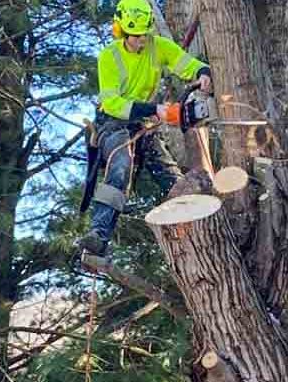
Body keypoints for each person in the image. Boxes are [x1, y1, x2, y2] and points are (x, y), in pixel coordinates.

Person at [79, 0, 212, 257]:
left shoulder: (156, 46)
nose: (142, 41)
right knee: (120, 167)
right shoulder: (109, 56)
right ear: (122, 31)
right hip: (112, 124)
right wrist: (155, 110)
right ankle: (98, 234)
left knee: (171, 175)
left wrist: (202, 72)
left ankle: (196, 228)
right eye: (136, 37)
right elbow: (111, 103)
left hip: (143, 124)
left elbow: (183, 62)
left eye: (145, 35)